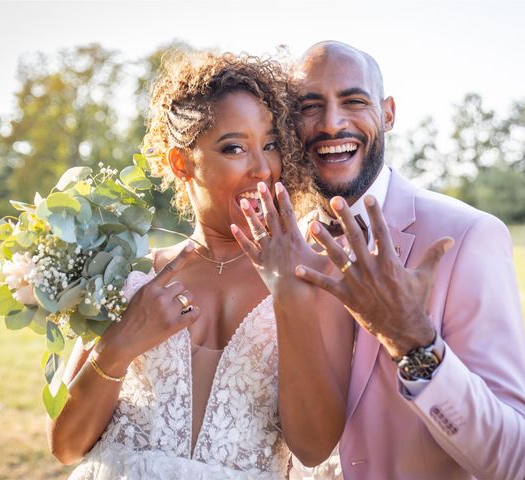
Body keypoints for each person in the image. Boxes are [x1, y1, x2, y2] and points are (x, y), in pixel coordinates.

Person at [47, 51, 352, 479]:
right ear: (181, 162)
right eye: (234, 148)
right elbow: (66, 446)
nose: (262, 169)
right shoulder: (131, 274)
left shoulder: (317, 277)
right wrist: (119, 346)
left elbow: (315, 448)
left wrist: (290, 295)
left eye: (270, 146)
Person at [287, 41, 525, 479]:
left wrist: (412, 341)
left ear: (388, 114)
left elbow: (512, 459)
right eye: (310, 107)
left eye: (354, 101)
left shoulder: (466, 236)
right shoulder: (283, 244)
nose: (331, 123)